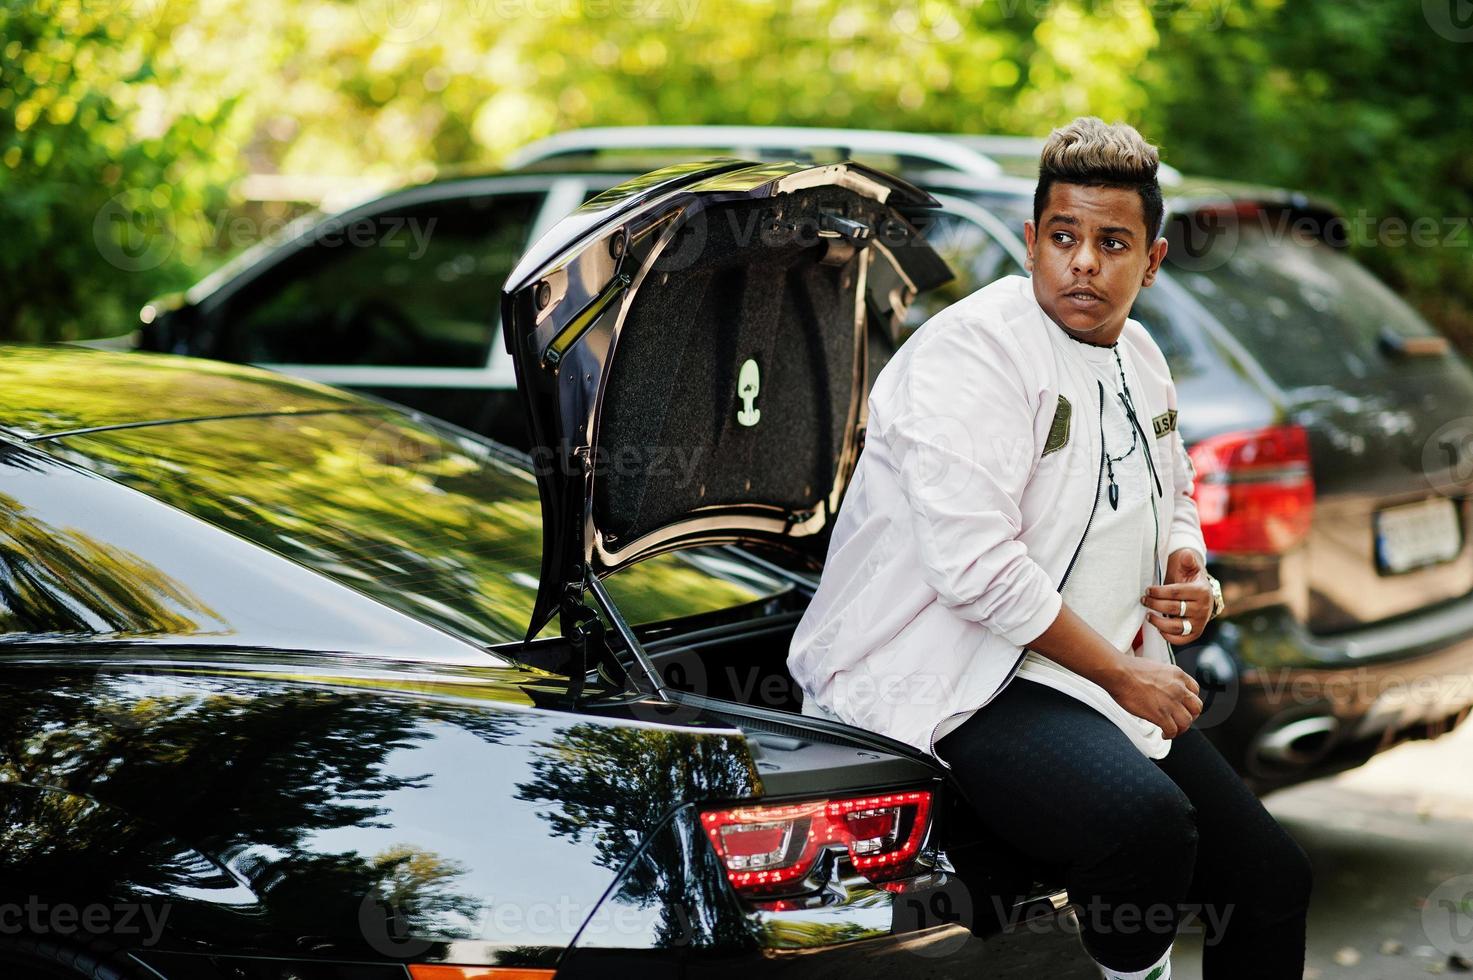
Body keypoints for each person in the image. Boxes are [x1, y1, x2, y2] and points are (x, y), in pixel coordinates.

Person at [787, 117, 1313, 979]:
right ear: (1031, 242)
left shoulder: (1140, 353)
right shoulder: (970, 356)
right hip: (945, 676)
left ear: (1152, 261)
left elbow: (1172, 480)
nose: (1083, 263)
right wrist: (1123, 674)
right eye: (1063, 237)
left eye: (1112, 243)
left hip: (1078, 669)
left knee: (1269, 879)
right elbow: (978, 573)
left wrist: (1188, 564)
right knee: (1142, 827)